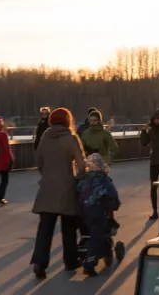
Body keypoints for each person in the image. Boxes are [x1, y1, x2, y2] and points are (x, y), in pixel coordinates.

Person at [30, 107, 86, 280]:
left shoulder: (45, 137)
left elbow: (38, 161)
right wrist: (78, 178)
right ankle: (70, 261)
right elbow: (82, 164)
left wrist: (47, 176)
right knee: (68, 227)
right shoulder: (71, 138)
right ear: (67, 120)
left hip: (47, 188)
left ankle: (40, 263)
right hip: (66, 188)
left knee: (45, 228)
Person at [76, 153, 125, 276]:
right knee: (97, 236)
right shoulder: (103, 180)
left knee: (88, 234)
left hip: (82, 213)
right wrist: (114, 206)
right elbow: (113, 198)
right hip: (96, 212)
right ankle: (89, 264)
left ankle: (79, 256)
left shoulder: (83, 180)